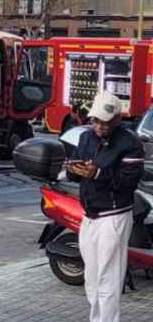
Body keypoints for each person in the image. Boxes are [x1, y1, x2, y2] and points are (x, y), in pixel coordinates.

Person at [65, 92, 144, 322]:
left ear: (117, 119)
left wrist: (97, 173)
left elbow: (127, 183)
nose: (100, 126)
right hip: (90, 213)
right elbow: (76, 173)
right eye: (96, 120)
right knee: (91, 275)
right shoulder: (86, 138)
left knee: (108, 277)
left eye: (105, 121)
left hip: (114, 216)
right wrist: (74, 169)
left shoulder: (130, 143)